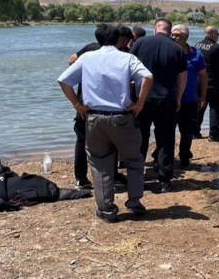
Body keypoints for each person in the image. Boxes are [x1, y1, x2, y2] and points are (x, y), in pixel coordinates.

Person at [57, 25, 153, 223]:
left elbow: (63, 80)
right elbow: (148, 77)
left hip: (93, 118)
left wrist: (77, 104)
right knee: (134, 160)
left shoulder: (87, 57)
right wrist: (140, 103)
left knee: (100, 164)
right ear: (118, 38)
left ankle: (106, 209)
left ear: (97, 38)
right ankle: (134, 202)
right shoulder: (127, 58)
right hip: (121, 117)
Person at [130, 18, 187, 193]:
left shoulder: (140, 42)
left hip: (143, 98)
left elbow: (128, 68)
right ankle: (165, 180)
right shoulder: (178, 48)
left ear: (155, 29)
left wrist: (130, 97)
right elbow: (182, 78)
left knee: (140, 138)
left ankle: (137, 177)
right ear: (169, 32)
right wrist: (178, 99)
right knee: (165, 139)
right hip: (166, 99)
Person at [67, 24, 109, 189]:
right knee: (108, 140)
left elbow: (71, 60)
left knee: (82, 139)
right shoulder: (118, 53)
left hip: (84, 102)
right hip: (106, 103)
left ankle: (80, 177)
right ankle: (109, 176)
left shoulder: (90, 48)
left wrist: (82, 72)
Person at [170, 24, 207, 168]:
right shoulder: (168, 51)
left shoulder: (196, 54)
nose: (173, 37)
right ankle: (167, 157)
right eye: (172, 34)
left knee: (187, 131)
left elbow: (203, 76)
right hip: (170, 100)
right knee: (168, 131)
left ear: (185, 37)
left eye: (177, 35)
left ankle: (184, 156)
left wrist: (203, 96)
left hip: (190, 99)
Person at [195, 26, 219, 141]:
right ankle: (214, 133)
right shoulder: (216, 47)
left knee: (200, 106)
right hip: (213, 81)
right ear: (213, 34)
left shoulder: (197, 45)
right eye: (218, 34)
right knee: (216, 107)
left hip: (199, 81)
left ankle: (195, 132)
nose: (218, 36)